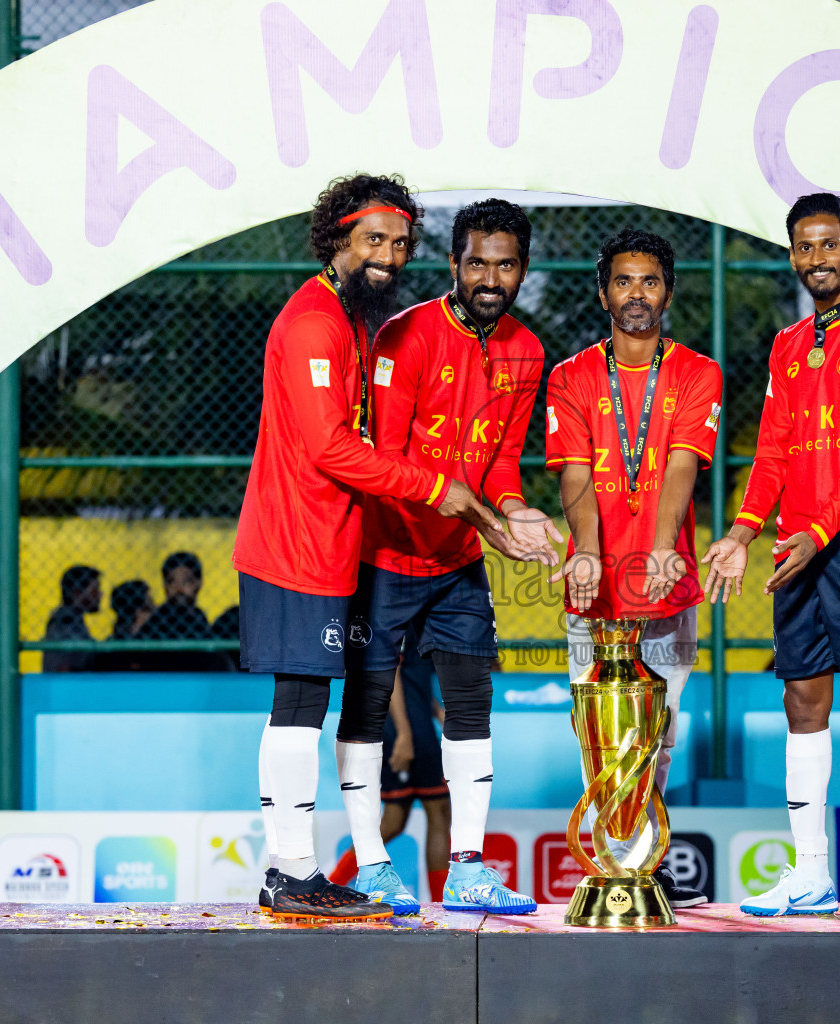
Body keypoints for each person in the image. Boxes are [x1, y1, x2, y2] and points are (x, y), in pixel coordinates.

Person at [233, 173, 516, 921]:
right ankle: (289, 869)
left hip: (326, 541)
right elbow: (330, 446)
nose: (388, 255)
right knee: (297, 702)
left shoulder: (351, 319)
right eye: (372, 240)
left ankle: (291, 869)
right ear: (336, 240)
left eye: (398, 242)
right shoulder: (313, 324)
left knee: (307, 701)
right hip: (293, 541)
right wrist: (434, 488)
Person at [703, 192, 840, 921]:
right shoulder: (790, 345)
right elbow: (771, 449)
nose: (817, 260)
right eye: (804, 247)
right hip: (797, 543)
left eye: (829, 245)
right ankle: (810, 874)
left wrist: (819, 531)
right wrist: (741, 531)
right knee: (803, 697)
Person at [337, 198, 554, 914]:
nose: (491, 277)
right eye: (478, 263)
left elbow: (501, 467)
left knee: (470, 707)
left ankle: (468, 867)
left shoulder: (528, 350)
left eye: (506, 264)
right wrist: (485, 519)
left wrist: (518, 513)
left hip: (457, 564)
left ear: (522, 269)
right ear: (454, 263)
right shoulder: (405, 335)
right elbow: (388, 462)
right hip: (385, 555)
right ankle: (370, 866)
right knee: (366, 711)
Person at [544, 228, 722, 910]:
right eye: (623, 281)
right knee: (600, 734)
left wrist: (661, 543)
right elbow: (575, 472)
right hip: (593, 586)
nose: (637, 294)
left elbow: (680, 462)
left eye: (649, 281)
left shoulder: (698, 372)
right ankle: (618, 866)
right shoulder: (570, 377)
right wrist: (586, 546)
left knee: (660, 735)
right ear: (603, 292)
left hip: (664, 578)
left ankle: (641, 862)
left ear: (668, 292)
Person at [327, 651, 453, 903]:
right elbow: (390, 670)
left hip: (409, 725)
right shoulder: (408, 615)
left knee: (395, 820)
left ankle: (332, 884)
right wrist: (405, 734)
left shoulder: (414, 619)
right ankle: (442, 905)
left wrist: (437, 713)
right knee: (438, 812)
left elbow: (412, 681)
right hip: (409, 729)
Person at [136, 552, 217, 671]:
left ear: (199, 583)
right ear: (164, 585)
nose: (179, 589)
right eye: (172, 582)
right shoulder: (156, 621)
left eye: (187, 582)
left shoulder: (199, 617)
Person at [42, 565, 100, 672]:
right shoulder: (65, 622)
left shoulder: (75, 619)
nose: (99, 595)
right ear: (77, 593)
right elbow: (63, 667)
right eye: (94, 590)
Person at [96, 579, 153, 671]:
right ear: (138, 613)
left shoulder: (108, 648)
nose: (154, 612)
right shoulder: (112, 653)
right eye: (148, 609)